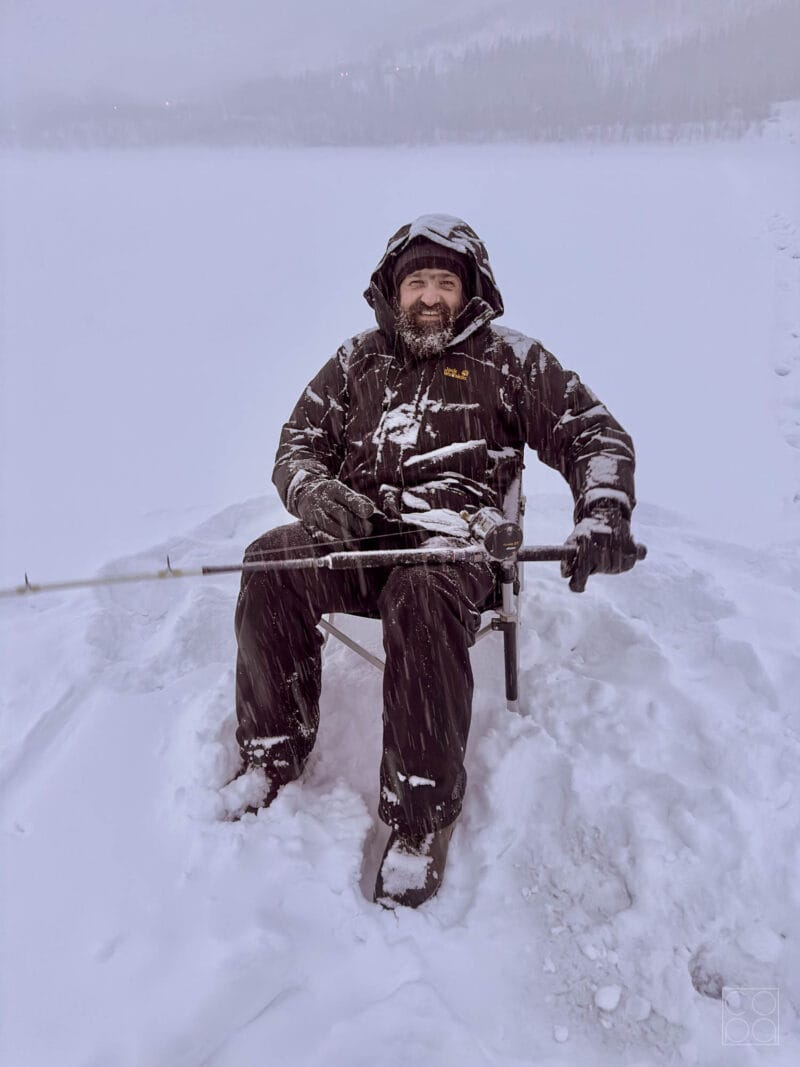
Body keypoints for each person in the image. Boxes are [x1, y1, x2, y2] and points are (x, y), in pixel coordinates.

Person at [233, 214, 638, 908]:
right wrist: (313, 491)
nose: (428, 295)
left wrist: (602, 513)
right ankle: (271, 751)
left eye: (443, 282)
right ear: (392, 291)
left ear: (470, 290)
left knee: (420, 598)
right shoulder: (357, 360)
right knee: (269, 560)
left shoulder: (511, 361)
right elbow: (296, 443)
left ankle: (420, 817)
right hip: (361, 537)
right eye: (415, 280)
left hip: (455, 552)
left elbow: (593, 433)